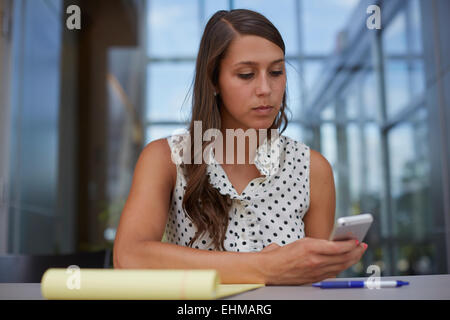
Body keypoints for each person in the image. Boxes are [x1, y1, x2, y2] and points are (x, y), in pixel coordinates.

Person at [113, 9, 367, 285]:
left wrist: (332, 261)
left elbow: (318, 281)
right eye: (246, 74)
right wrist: (264, 267)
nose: (265, 89)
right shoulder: (166, 159)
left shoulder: (312, 169)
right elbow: (129, 258)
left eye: (276, 72)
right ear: (213, 81)